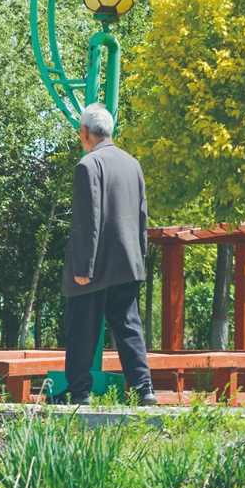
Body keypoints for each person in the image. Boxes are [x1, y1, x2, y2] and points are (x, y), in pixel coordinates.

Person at [61, 103, 157, 406]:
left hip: (95, 266)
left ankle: (79, 391)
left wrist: (83, 267)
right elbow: (142, 217)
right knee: (128, 327)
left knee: (82, 328)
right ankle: (144, 389)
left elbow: (87, 220)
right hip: (128, 264)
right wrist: (139, 261)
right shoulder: (133, 164)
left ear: (85, 132)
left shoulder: (88, 165)